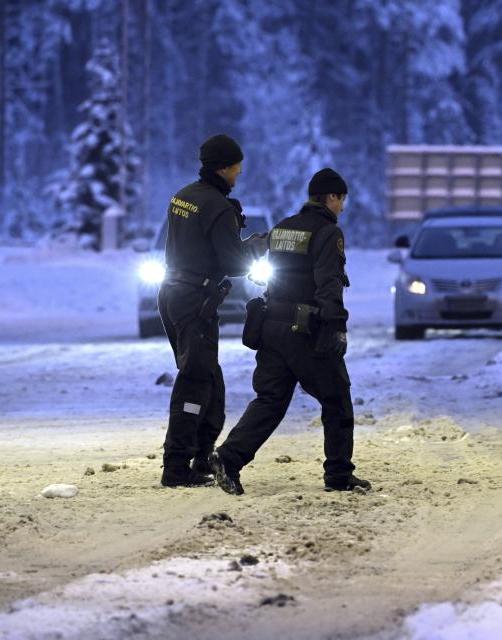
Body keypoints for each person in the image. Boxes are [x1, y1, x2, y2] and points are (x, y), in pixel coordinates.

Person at [209, 168, 370, 495]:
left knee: (271, 399)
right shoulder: (327, 233)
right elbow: (329, 282)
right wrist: (336, 327)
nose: (342, 208)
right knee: (337, 398)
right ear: (332, 197)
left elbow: (252, 252)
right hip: (304, 331)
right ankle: (339, 474)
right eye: (342, 201)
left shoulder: (283, 227)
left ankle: (228, 458)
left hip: (271, 326)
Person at [158, 134, 267, 487]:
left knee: (208, 376)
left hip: (172, 293)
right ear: (223, 167)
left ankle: (202, 456)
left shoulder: (183, 196)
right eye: (236, 166)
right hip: (195, 300)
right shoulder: (218, 206)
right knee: (194, 379)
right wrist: (258, 245)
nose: (238, 173)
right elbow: (234, 264)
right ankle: (176, 467)